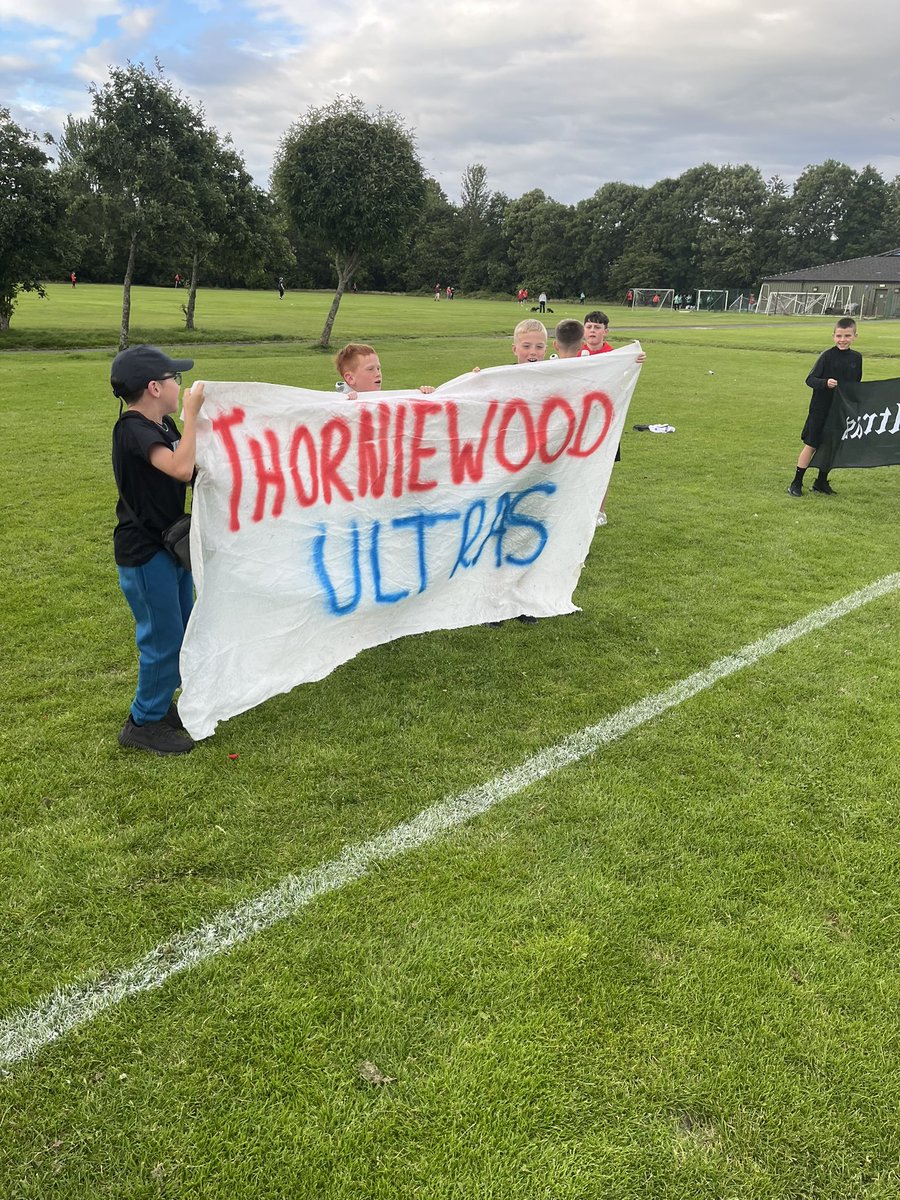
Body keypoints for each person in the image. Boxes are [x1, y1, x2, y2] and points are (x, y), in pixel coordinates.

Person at [110, 345, 205, 755]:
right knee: (162, 637)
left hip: (169, 545)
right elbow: (181, 469)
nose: (178, 386)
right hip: (145, 553)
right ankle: (142, 723)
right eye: (174, 379)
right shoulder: (133, 429)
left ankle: (161, 704)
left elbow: (193, 463)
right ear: (154, 387)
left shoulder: (161, 424)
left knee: (181, 629)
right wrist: (193, 413)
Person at [787, 317, 861, 498]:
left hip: (839, 409)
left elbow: (856, 384)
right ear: (833, 336)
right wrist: (825, 383)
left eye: (847, 336)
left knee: (830, 445)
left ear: (855, 336)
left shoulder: (857, 358)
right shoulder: (827, 356)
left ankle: (820, 482)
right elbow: (810, 380)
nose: (842, 339)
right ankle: (796, 483)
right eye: (839, 336)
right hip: (820, 408)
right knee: (811, 444)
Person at [334, 343, 434, 395]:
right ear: (350, 378)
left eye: (378, 368)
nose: (378, 373)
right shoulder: (339, 405)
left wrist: (424, 396)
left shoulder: (382, 399)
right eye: (370, 369)